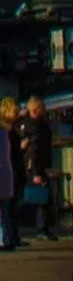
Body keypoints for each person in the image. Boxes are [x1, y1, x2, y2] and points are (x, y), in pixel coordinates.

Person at [21, 95, 57, 240]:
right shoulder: (37, 126)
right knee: (42, 198)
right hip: (36, 165)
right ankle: (42, 228)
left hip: (32, 164)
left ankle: (41, 227)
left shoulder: (26, 124)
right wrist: (36, 171)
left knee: (38, 197)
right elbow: (35, 149)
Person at [1, 97, 26, 247]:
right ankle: (10, 237)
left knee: (10, 207)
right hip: (10, 170)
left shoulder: (10, 129)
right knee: (8, 208)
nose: (16, 115)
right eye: (14, 112)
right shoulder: (7, 131)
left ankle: (11, 237)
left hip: (11, 169)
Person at [0, 99, 14, 250]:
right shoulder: (5, 133)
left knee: (3, 213)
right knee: (5, 211)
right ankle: (7, 239)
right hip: (5, 174)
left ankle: (4, 240)